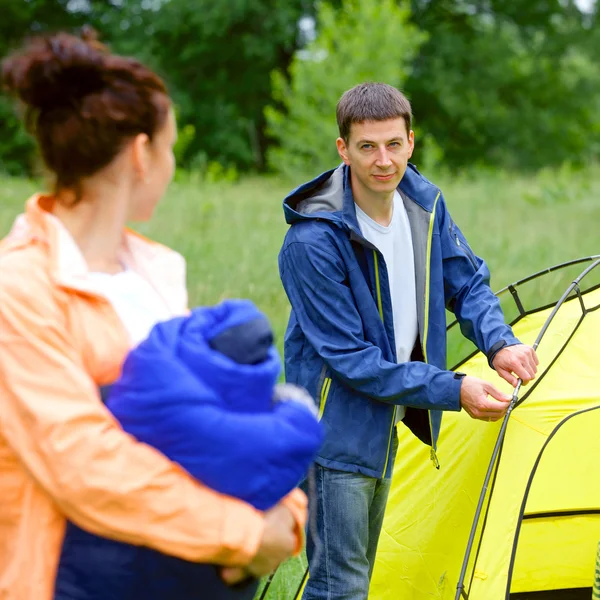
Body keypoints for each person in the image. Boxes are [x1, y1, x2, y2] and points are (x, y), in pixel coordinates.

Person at [0, 30, 306, 600]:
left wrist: (282, 509)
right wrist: (242, 534)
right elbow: (82, 464)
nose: (169, 166)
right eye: (169, 149)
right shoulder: (18, 288)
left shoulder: (154, 271)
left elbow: (214, 412)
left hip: (181, 576)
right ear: (142, 154)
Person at [278, 82, 539, 600]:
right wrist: (454, 389)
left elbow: (465, 282)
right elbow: (352, 361)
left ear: (411, 142)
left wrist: (501, 343)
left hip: (386, 419)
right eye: (368, 147)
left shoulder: (423, 204)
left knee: (351, 583)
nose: (383, 161)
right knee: (339, 588)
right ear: (343, 149)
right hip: (334, 433)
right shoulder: (311, 240)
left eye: (393, 144)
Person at [56, 299, 323, 599]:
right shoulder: (273, 438)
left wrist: (286, 515)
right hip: (185, 565)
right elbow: (78, 462)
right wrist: (255, 534)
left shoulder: (158, 280)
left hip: (122, 565)